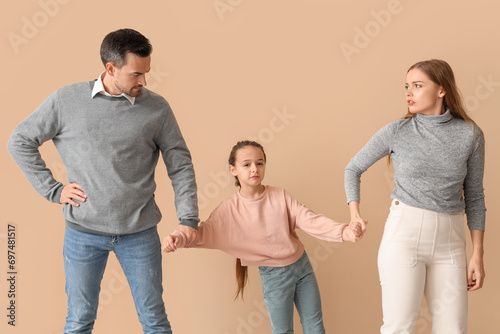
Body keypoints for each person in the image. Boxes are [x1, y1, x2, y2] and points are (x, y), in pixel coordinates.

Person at [7, 28, 200, 334]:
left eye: (146, 73)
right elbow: (19, 141)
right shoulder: (66, 100)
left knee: (154, 321)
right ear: (111, 68)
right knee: (79, 321)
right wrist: (53, 190)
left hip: (140, 233)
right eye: (137, 74)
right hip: (83, 234)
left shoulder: (158, 108)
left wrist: (189, 217)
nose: (144, 82)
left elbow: (180, 164)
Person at [163, 140, 366, 334]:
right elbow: (202, 233)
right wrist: (177, 237)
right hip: (274, 276)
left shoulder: (280, 195)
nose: (254, 169)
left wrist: (344, 231)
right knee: (283, 331)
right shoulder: (229, 209)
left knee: (315, 327)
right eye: (247, 164)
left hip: (303, 267)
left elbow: (309, 219)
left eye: (260, 163)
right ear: (233, 169)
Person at [345, 59, 486, 334]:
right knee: (399, 328)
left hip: (451, 242)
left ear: (442, 90)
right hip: (404, 236)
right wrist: (355, 215)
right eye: (407, 86)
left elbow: (476, 197)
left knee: (453, 328)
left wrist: (477, 254)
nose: (409, 92)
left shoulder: (470, 134)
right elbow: (353, 168)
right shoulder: (397, 131)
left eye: (418, 86)